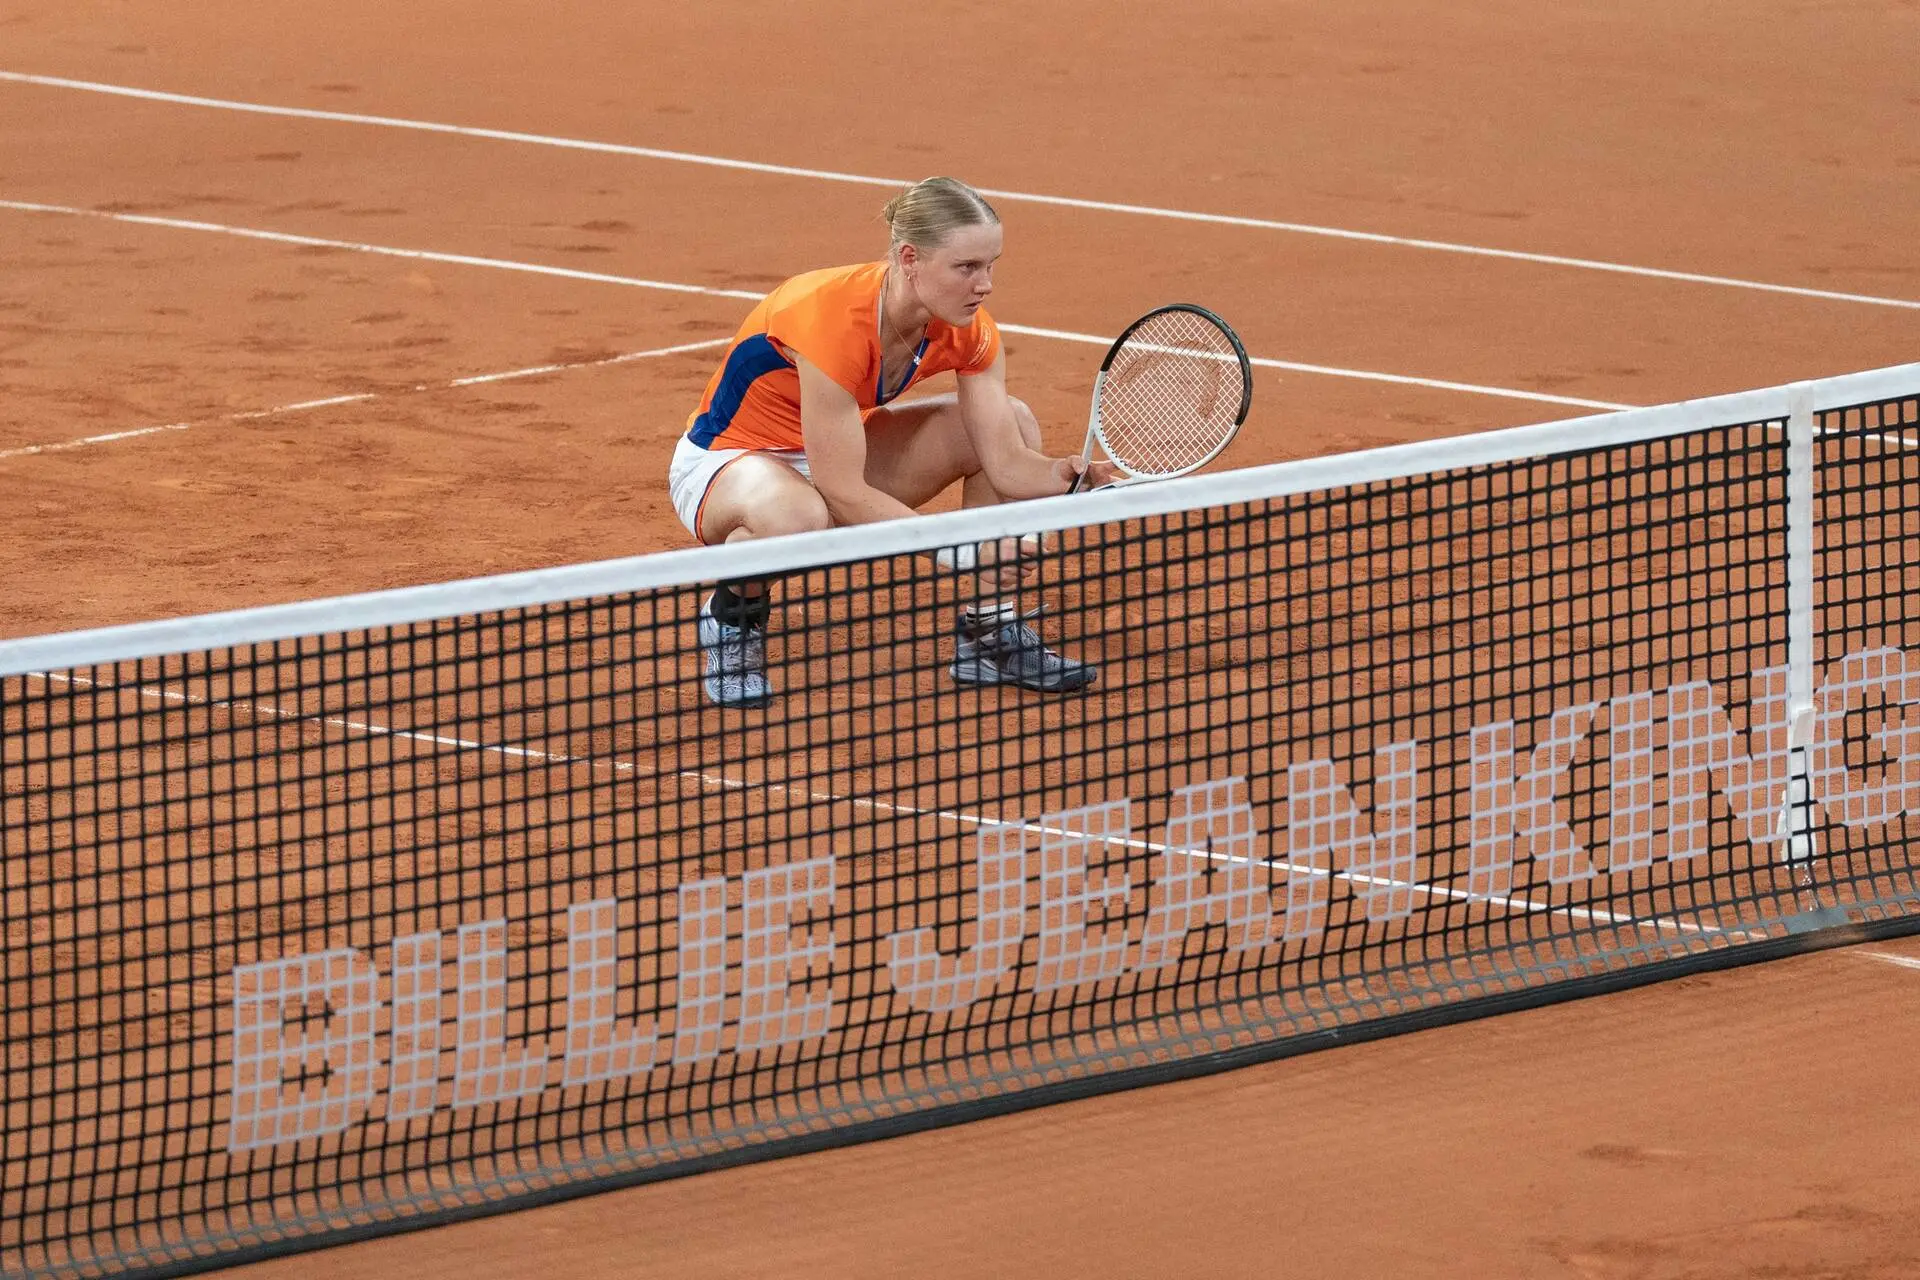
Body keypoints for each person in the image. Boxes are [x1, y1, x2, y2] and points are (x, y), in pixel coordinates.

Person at [667, 176, 1117, 708]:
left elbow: (1006, 462)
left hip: (836, 447)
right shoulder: (831, 318)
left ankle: (988, 633)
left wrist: (1061, 476)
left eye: (990, 265)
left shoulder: (967, 329)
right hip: (730, 461)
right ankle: (733, 618)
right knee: (797, 516)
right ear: (910, 259)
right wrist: (966, 551)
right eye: (967, 267)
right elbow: (842, 490)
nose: (985, 285)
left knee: (1014, 421)